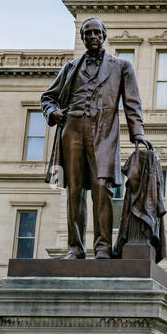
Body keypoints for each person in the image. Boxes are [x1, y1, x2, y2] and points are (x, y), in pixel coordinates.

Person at [40, 18, 146, 258]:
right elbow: (47, 98)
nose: (93, 37)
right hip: (72, 129)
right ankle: (75, 249)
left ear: (104, 35)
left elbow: (132, 103)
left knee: (101, 187)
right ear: (83, 38)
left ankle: (102, 248)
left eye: (97, 32)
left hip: (103, 132)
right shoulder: (70, 67)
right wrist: (52, 112)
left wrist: (137, 133)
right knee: (74, 189)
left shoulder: (121, 66)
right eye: (88, 34)